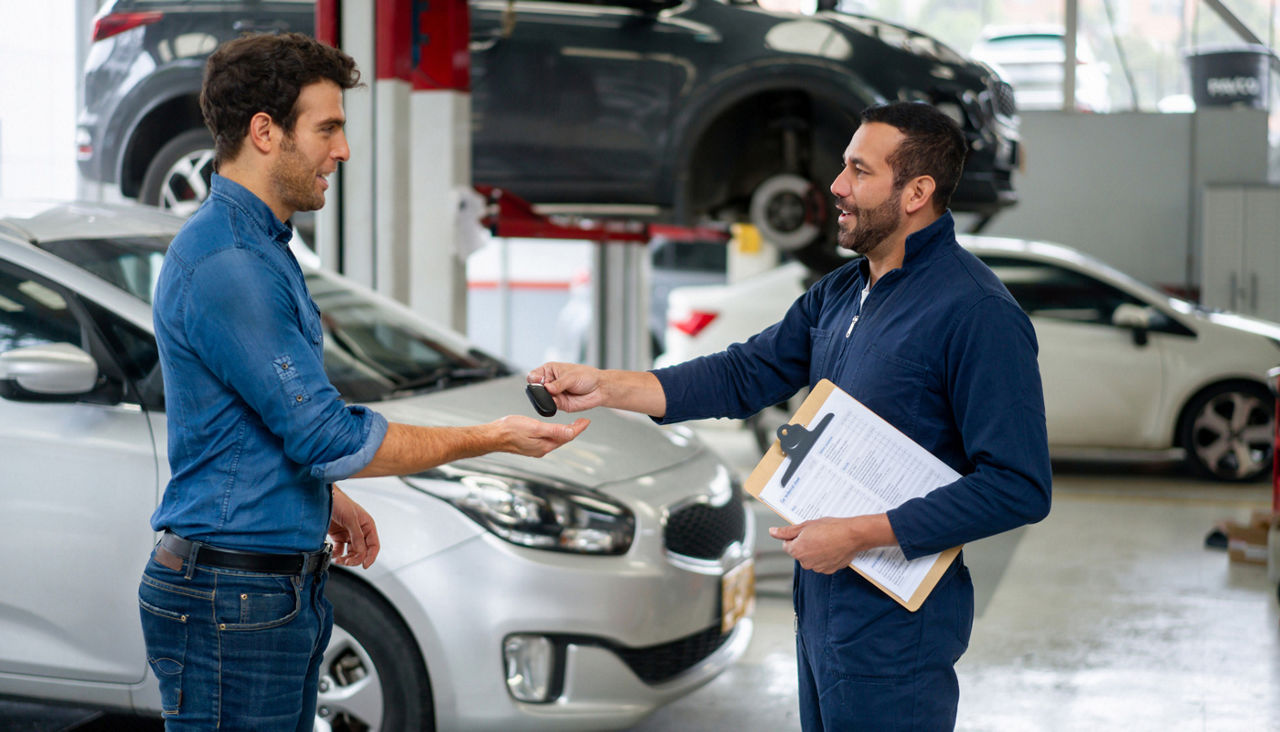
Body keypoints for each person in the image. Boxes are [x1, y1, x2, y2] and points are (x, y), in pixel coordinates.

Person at [530, 101, 1051, 730]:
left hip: (896, 625)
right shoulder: (841, 291)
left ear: (917, 192)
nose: (836, 186)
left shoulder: (977, 312)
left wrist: (860, 533)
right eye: (843, 167)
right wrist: (607, 384)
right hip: (823, 594)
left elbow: (1017, 486)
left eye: (859, 171)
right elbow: (742, 373)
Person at [139, 33, 588, 731]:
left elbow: (259, 418)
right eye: (328, 128)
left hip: (264, 588)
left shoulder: (261, 245)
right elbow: (323, 431)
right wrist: (491, 437)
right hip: (233, 599)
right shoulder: (231, 262)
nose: (342, 151)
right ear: (265, 133)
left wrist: (325, 497)